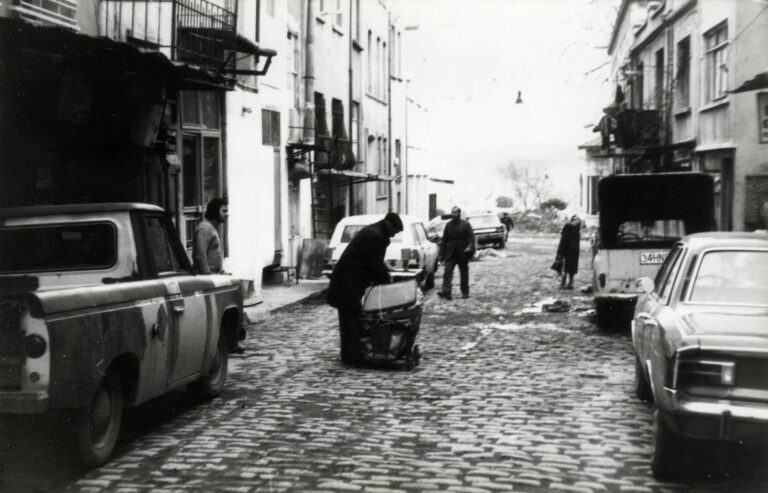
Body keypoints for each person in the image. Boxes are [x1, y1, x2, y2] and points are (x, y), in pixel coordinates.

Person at [327, 212, 404, 365]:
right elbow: (374, 265)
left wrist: (384, 274)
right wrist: (387, 283)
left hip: (348, 281)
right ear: (389, 225)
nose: (394, 235)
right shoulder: (376, 236)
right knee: (351, 319)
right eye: (394, 231)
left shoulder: (374, 232)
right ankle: (352, 356)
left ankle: (352, 354)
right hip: (348, 283)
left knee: (351, 318)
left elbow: (373, 262)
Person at [193, 198, 245, 354]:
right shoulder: (204, 228)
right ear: (215, 210)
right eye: (224, 211)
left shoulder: (212, 227)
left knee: (233, 299)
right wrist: (208, 275)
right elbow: (200, 254)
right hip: (207, 278)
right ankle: (226, 343)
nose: (226, 214)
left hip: (216, 275)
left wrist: (221, 272)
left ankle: (233, 340)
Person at [438, 206, 475, 300]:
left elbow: (471, 238)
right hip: (450, 253)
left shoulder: (465, 224)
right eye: (452, 213)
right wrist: (441, 255)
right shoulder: (448, 225)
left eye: (456, 213)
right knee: (447, 272)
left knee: (464, 273)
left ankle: (465, 292)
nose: (454, 214)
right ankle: (446, 292)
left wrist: (470, 247)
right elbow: (444, 241)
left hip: (462, 253)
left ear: (459, 214)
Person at [557, 215, 582, 289]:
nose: (576, 221)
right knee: (571, 268)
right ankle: (570, 283)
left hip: (567, 251)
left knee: (565, 267)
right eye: (575, 219)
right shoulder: (576, 232)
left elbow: (562, 243)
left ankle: (564, 282)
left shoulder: (568, 228)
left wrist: (560, 253)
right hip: (574, 252)